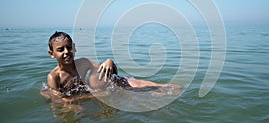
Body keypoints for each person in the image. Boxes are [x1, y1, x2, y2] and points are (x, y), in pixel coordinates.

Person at [41, 31, 178, 102]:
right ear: (51, 54)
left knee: (165, 88)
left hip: (117, 83)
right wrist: (94, 96)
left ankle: (163, 87)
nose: (66, 52)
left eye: (69, 47)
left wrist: (109, 61)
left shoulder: (82, 62)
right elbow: (59, 101)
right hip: (89, 96)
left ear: (74, 48)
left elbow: (103, 70)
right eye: (60, 50)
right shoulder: (54, 77)